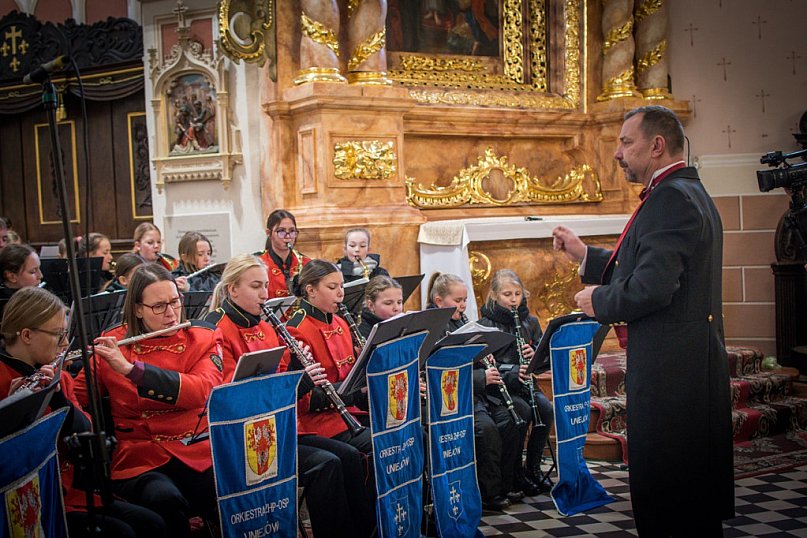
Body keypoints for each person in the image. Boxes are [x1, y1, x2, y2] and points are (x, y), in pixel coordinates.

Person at [552, 105, 733, 535]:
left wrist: (600, 300)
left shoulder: (669, 198)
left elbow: (652, 287)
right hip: (686, 364)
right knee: (686, 491)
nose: (617, 153)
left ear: (656, 145)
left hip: (672, 372)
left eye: (625, 142)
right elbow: (650, 266)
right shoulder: (685, 191)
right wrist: (586, 256)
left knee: (670, 494)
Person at [204, 254, 374, 537]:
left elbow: (283, 383)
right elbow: (230, 397)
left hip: (277, 426)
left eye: (266, 286)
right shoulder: (218, 329)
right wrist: (303, 380)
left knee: (349, 458)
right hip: (244, 436)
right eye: (256, 286)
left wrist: (298, 370)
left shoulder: (265, 326)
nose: (265, 294)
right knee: (328, 463)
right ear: (233, 289)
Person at [0, 287, 167, 538]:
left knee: (152, 523)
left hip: (71, 490)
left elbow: (85, 431)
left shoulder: (60, 377)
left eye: (66, 334)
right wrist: (15, 408)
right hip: (32, 499)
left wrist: (57, 397)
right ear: (26, 335)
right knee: (121, 533)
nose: (66, 345)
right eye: (58, 336)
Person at [73, 263, 222, 537]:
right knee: (164, 498)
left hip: (194, 448)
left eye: (175, 302)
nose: (170, 313)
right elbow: (77, 397)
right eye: (158, 307)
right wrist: (49, 379)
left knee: (232, 482)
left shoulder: (202, 337)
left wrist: (133, 371)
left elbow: (202, 390)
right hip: (140, 455)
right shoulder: (113, 344)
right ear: (138, 309)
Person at [426, 272, 522, 511]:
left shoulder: (461, 322)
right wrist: (482, 377)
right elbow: (437, 371)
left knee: (513, 418)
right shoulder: (432, 326)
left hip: (476, 393)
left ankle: (506, 483)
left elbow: (470, 357)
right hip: (453, 398)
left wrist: (485, 355)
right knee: (486, 429)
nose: (462, 305)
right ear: (439, 301)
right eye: (457, 300)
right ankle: (489, 493)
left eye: (465, 300)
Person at [477, 269, 553, 495]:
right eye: (507, 294)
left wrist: (535, 354)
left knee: (546, 409)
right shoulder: (485, 324)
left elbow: (543, 360)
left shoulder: (529, 321)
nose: (513, 299)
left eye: (517, 294)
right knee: (522, 412)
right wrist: (512, 371)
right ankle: (516, 472)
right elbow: (484, 364)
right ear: (494, 295)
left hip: (524, 385)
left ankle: (533, 467)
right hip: (500, 391)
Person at [257, 209, 311, 298]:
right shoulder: (258, 262)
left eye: (292, 231)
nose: (288, 237)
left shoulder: (306, 263)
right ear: (268, 233)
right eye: (281, 231)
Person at [1, 244, 43, 319]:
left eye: (39, 268)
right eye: (33, 271)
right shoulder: (11, 308)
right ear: (12, 276)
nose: (40, 276)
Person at [357, 275, 403, 339]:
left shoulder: (403, 326)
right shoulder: (363, 334)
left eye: (399, 302)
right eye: (388, 303)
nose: (396, 308)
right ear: (371, 305)